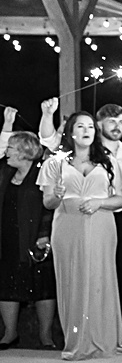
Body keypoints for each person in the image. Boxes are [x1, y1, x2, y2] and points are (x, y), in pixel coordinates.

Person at [38, 112, 122, 360]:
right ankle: (77, 338)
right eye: (81, 126)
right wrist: (57, 194)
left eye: (90, 126)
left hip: (102, 226)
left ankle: (106, 339)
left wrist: (99, 203)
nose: (87, 130)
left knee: (100, 278)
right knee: (73, 280)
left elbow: (121, 198)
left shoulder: (108, 161)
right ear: (71, 132)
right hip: (68, 226)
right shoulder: (55, 163)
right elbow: (48, 202)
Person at [0, 129, 56, 349]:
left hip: (36, 239)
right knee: (7, 284)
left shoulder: (41, 172)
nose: (7, 152)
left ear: (24, 152)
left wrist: (44, 235)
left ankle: (46, 337)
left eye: (11, 148)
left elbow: (48, 207)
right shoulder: (4, 171)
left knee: (43, 286)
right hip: (8, 239)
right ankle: (10, 334)